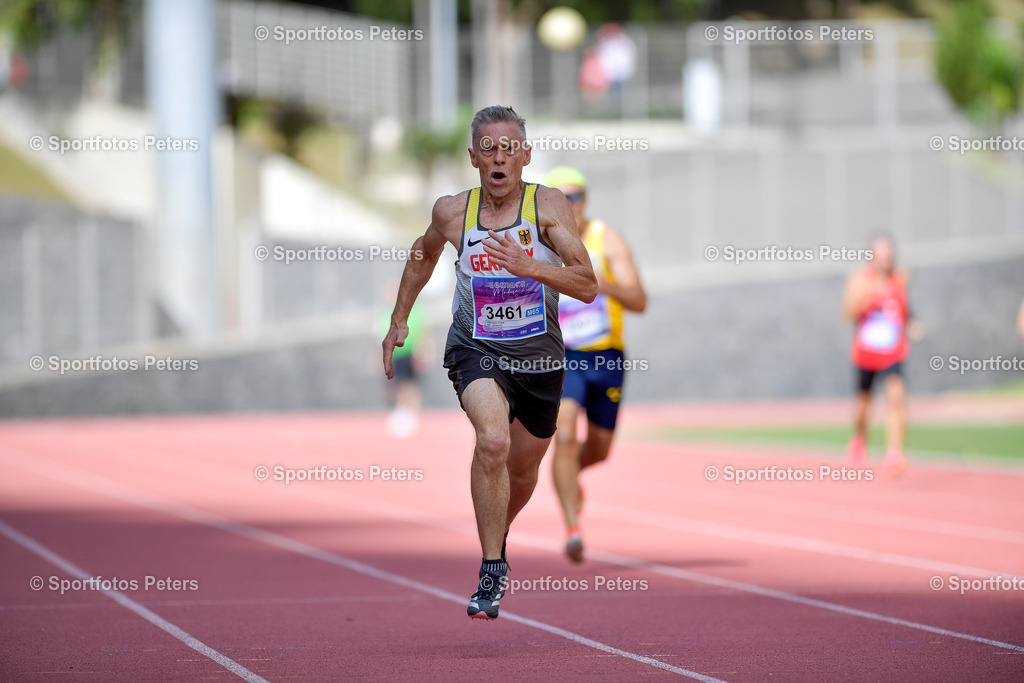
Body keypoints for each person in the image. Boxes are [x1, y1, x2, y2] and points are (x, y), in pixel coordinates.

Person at [382, 106, 597, 619]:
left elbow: (587, 284)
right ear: (474, 157)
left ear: (524, 155)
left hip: (540, 357)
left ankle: (496, 528)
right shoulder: (453, 211)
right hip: (475, 347)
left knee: (523, 473)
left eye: (508, 148)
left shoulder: (548, 207)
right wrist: (398, 321)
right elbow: (423, 253)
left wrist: (530, 267)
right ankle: (493, 564)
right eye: (488, 148)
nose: (498, 157)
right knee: (493, 440)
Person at [545, 167, 646, 563]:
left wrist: (604, 285)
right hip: (562, 357)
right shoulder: (541, 245)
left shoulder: (608, 239)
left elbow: (640, 300)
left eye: (576, 196)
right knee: (565, 436)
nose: (570, 205)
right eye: (561, 198)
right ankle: (573, 527)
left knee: (601, 449)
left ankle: (571, 476)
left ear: (585, 200)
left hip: (606, 357)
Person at [842, 236, 919, 475]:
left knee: (896, 397)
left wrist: (912, 324)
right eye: (881, 256)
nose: (886, 261)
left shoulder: (900, 279)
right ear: (871, 257)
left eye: (889, 256)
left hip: (892, 351)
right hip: (866, 352)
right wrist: (866, 297)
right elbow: (846, 314)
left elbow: (904, 308)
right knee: (864, 405)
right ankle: (860, 435)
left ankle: (894, 453)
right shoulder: (860, 280)